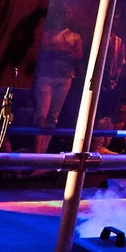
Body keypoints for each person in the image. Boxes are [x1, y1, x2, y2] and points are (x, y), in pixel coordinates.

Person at [31, 19, 83, 153]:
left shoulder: (75, 36)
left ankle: (43, 150)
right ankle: (37, 149)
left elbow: (78, 55)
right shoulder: (48, 34)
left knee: (53, 116)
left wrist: (59, 49)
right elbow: (47, 49)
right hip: (46, 77)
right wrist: (67, 49)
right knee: (42, 113)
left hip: (64, 79)